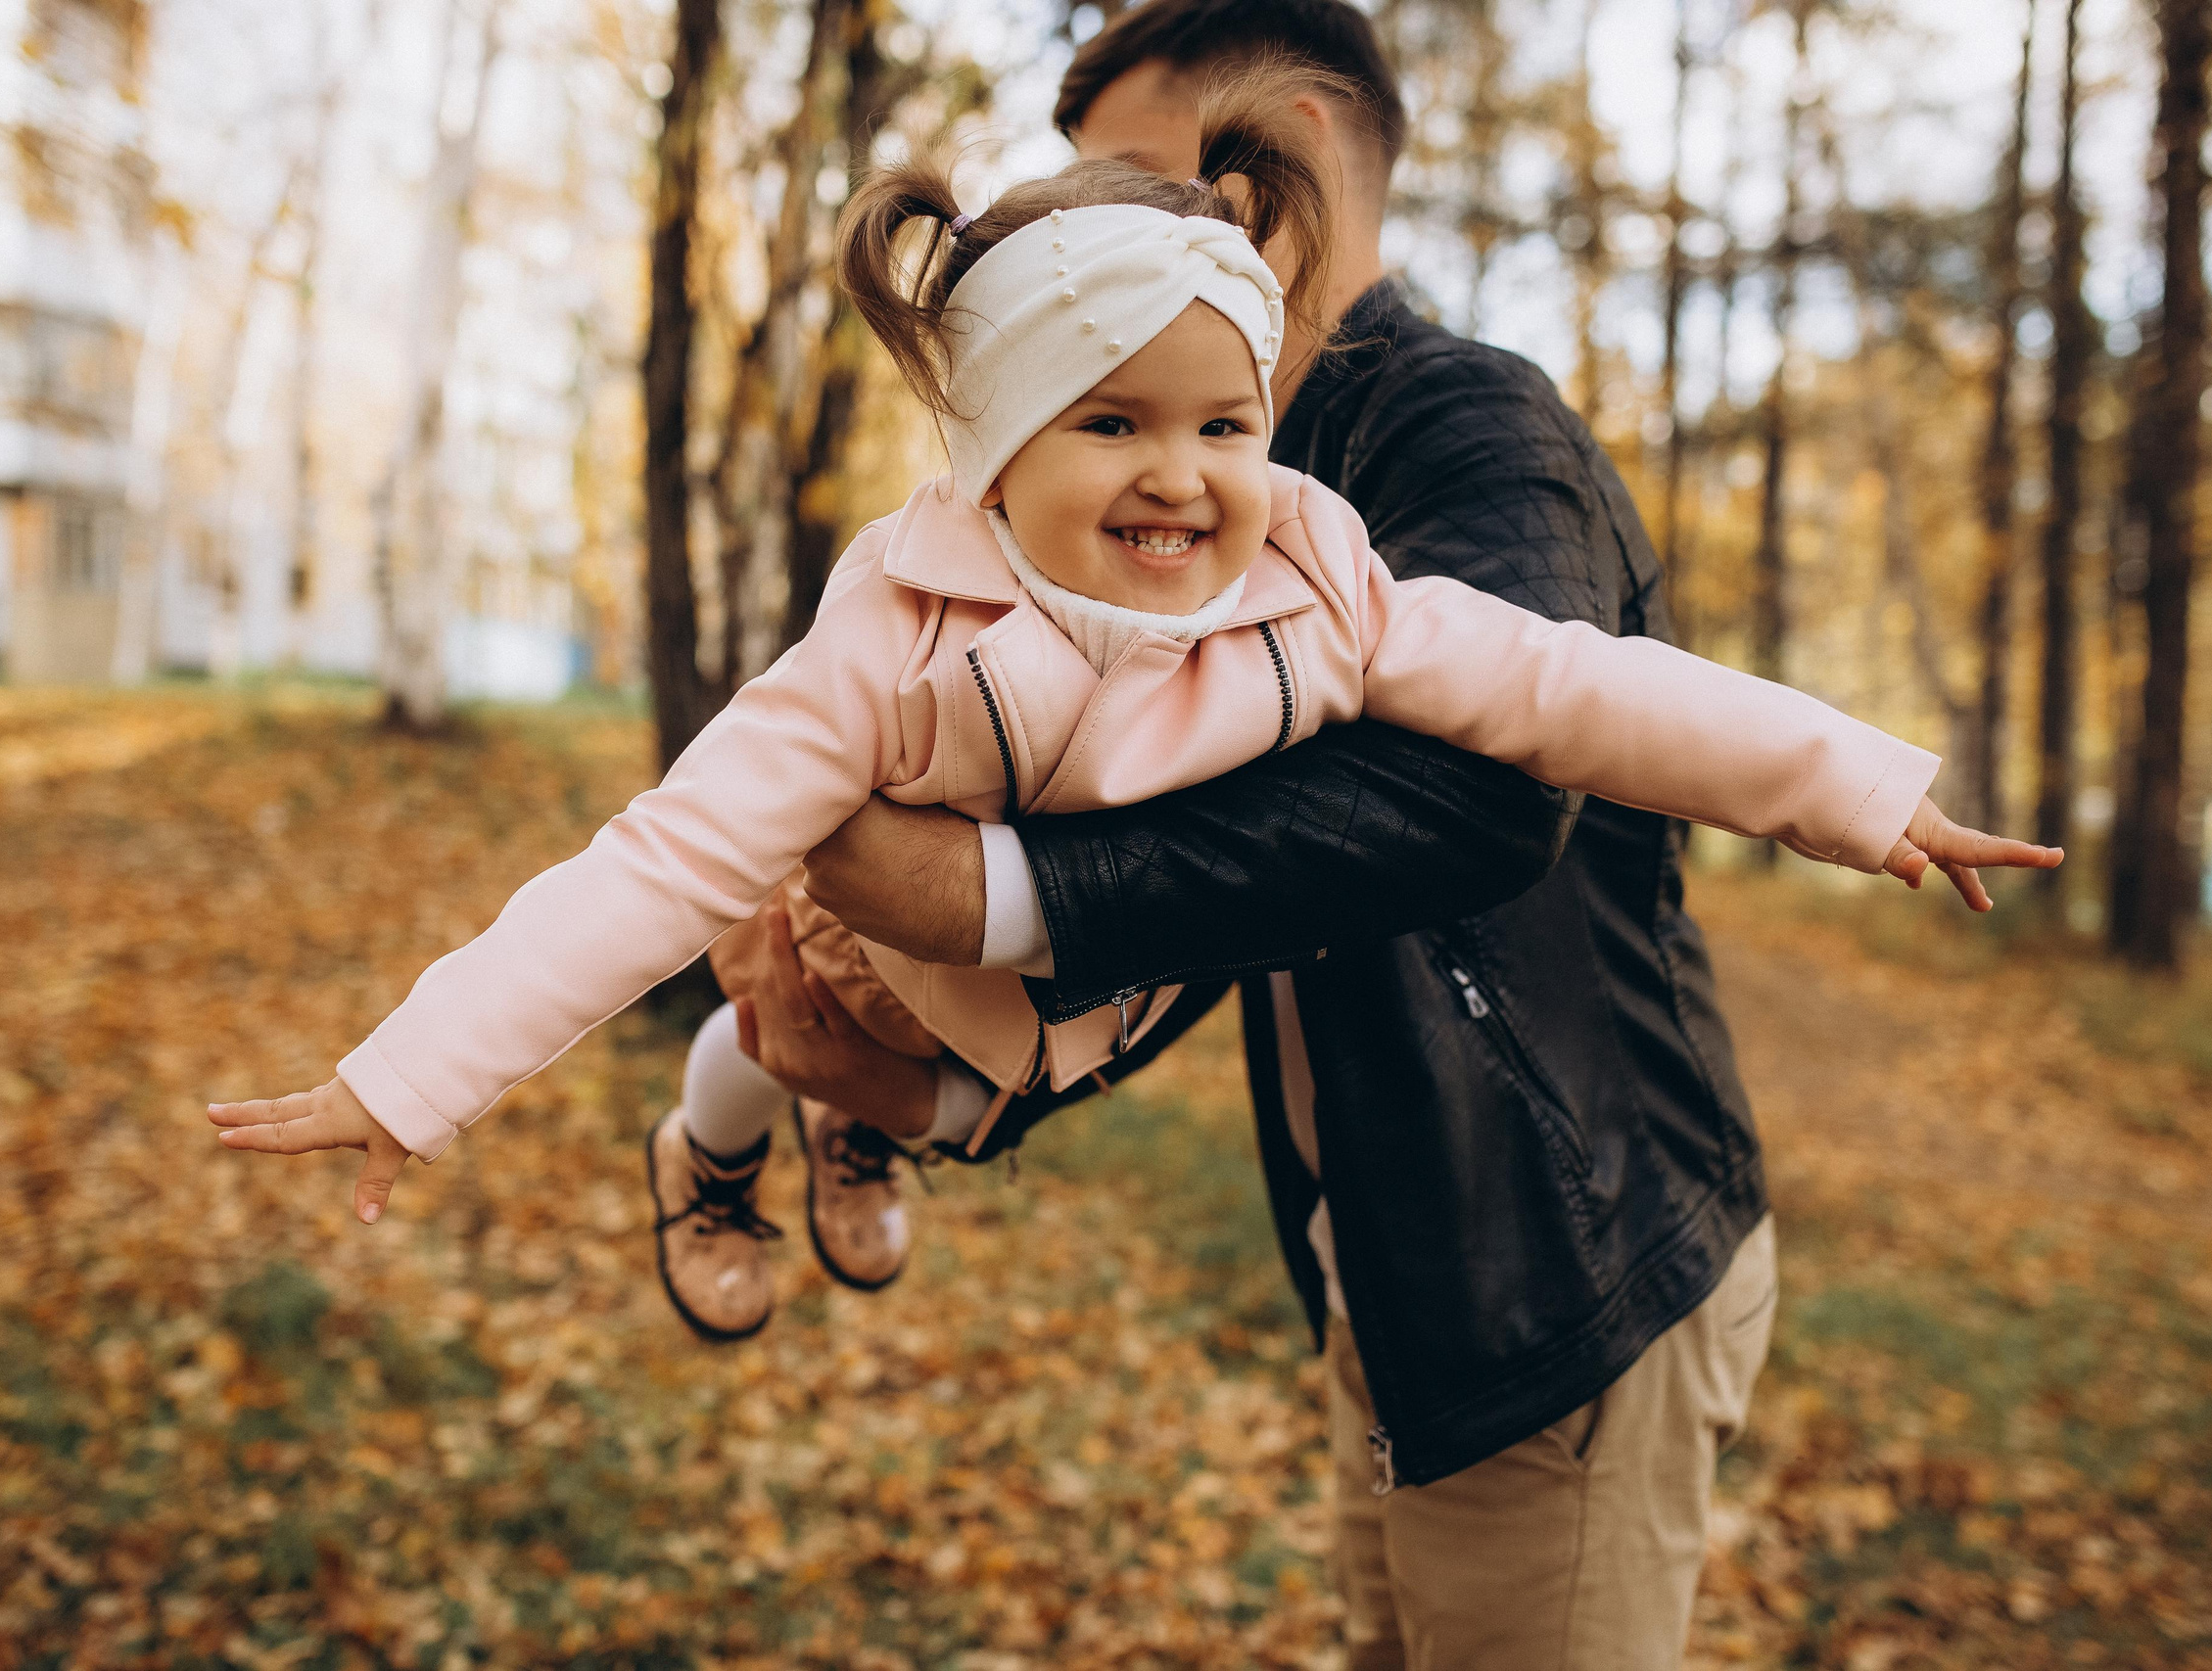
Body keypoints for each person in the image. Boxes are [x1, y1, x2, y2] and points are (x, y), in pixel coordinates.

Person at [205, 57, 2055, 1653]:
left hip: (1495, 1234)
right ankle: (719, 1150)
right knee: (769, 1014)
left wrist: (1854, 789)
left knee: (879, 1044)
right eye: (1112, 422)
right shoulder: (891, 642)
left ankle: (865, 1128)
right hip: (925, 977)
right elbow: (658, 859)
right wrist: (414, 1077)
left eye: (1222, 425)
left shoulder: (1327, 574)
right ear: (997, 455)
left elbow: (1566, 695)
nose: (1182, 473)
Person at [750, 2, 1928, 1666]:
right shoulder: (1224, 481)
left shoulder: (1465, 426)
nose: (1101, 242)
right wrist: (958, 1092)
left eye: (1147, 177)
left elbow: (1484, 803)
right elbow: (1245, 891)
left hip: (1561, 1272)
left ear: (1287, 142)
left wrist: (990, 894)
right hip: (1404, 1273)